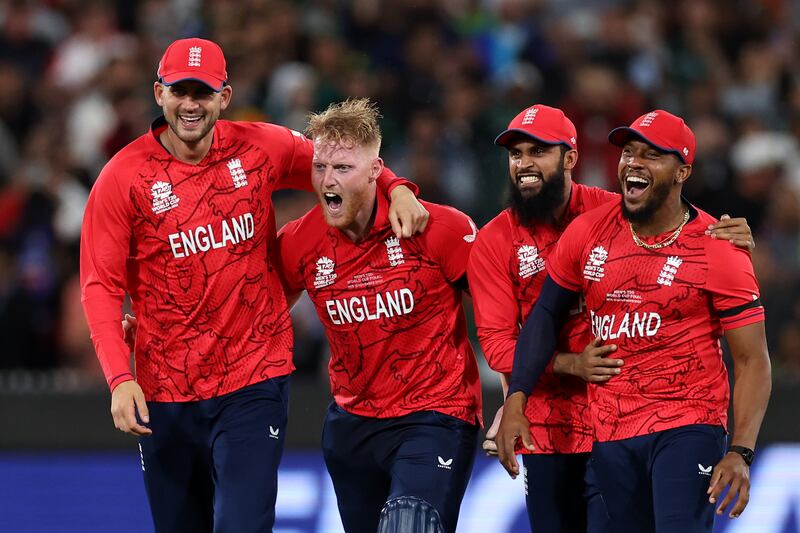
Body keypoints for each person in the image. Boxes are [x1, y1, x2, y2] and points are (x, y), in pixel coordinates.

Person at [80, 38, 426, 533]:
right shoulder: (122, 179)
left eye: (203, 92)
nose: (191, 105)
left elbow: (340, 161)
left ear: (225, 96)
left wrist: (395, 187)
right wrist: (119, 377)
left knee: (242, 524)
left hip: (253, 376)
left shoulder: (261, 146)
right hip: (164, 387)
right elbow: (100, 286)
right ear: (159, 94)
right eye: (180, 91)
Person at [469, 104, 755, 533]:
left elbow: (670, 214)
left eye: (538, 151)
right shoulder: (497, 241)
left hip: (635, 418)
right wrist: (539, 385)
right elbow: (499, 343)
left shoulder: (607, 213)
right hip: (551, 429)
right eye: (516, 154)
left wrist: (723, 231)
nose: (524, 164)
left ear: (569, 158)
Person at [275, 98, 481, 533]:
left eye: (343, 168)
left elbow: (501, 312)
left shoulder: (436, 229)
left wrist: (517, 395)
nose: (328, 180)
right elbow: (253, 312)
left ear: (375, 171)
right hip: (352, 425)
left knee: (410, 524)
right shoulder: (298, 242)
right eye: (320, 168)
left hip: (435, 414)